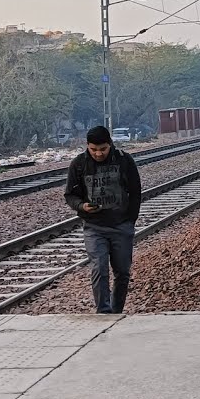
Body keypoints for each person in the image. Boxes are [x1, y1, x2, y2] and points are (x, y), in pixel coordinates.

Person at [65, 125, 142, 313]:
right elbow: (70, 195)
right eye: (93, 149)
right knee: (99, 269)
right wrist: (81, 206)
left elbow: (136, 192)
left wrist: (130, 221)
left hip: (121, 226)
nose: (98, 154)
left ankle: (116, 312)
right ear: (87, 146)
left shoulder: (125, 161)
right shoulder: (79, 164)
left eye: (103, 149)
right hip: (94, 227)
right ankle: (103, 313)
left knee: (122, 272)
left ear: (110, 145)